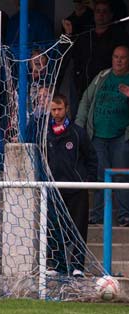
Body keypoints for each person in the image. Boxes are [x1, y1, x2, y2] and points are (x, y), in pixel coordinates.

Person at [44, 94, 98, 277]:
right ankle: (56, 265)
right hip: (54, 190)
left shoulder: (77, 132)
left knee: (79, 228)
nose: (57, 113)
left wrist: (88, 180)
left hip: (76, 189)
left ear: (67, 108)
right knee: (54, 226)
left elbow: (91, 157)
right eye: (53, 109)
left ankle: (77, 266)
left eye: (59, 109)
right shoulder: (46, 133)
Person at [75, 45, 129, 227]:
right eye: (116, 57)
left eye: (123, 57)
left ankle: (124, 216)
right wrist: (79, 127)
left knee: (121, 176)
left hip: (121, 136)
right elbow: (86, 100)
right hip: (98, 135)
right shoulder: (102, 77)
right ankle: (96, 215)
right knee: (99, 174)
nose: (119, 60)